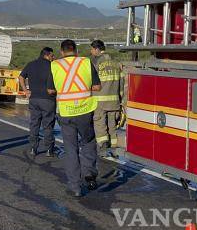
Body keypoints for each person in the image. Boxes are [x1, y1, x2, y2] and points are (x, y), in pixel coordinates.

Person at [48, 39, 101, 197]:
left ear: (61, 52)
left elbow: (50, 90)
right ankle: (89, 174)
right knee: (88, 142)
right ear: (76, 51)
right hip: (85, 111)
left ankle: (75, 187)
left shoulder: (55, 65)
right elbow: (97, 87)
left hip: (65, 113)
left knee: (71, 149)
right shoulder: (85, 62)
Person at [18, 47, 58, 157]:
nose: (53, 58)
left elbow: (21, 77)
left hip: (34, 99)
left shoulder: (31, 64)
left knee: (34, 124)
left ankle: (33, 148)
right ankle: (49, 150)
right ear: (47, 55)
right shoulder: (52, 66)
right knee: (48, 125)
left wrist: (26, 91)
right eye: (52, 56)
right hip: (48, 100)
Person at [90, 40, 123, 157]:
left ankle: (103, 148)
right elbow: (121, 83)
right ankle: (114, 147)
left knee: (100, 124)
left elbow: (91, 81)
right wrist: (120, 100)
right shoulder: (116, 63)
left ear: (97, 49)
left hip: (99, 100)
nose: (91, 52)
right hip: (114, 100)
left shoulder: (95, 63)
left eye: (92, 49)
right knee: (112, 124)